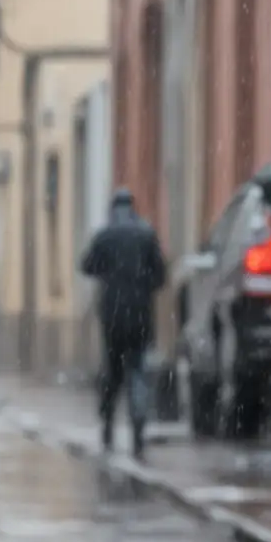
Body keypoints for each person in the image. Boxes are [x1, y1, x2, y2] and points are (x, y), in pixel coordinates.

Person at [80, 189, 166, 459]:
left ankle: (107, 426)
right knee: (139, 370)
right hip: (141, 315)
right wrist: (143, 285)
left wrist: (109, 274)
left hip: (112, 316)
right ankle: (138, 429)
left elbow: (86, 266)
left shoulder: (105, 235)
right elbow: (161, 275)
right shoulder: (146, 234)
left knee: (112, 372)